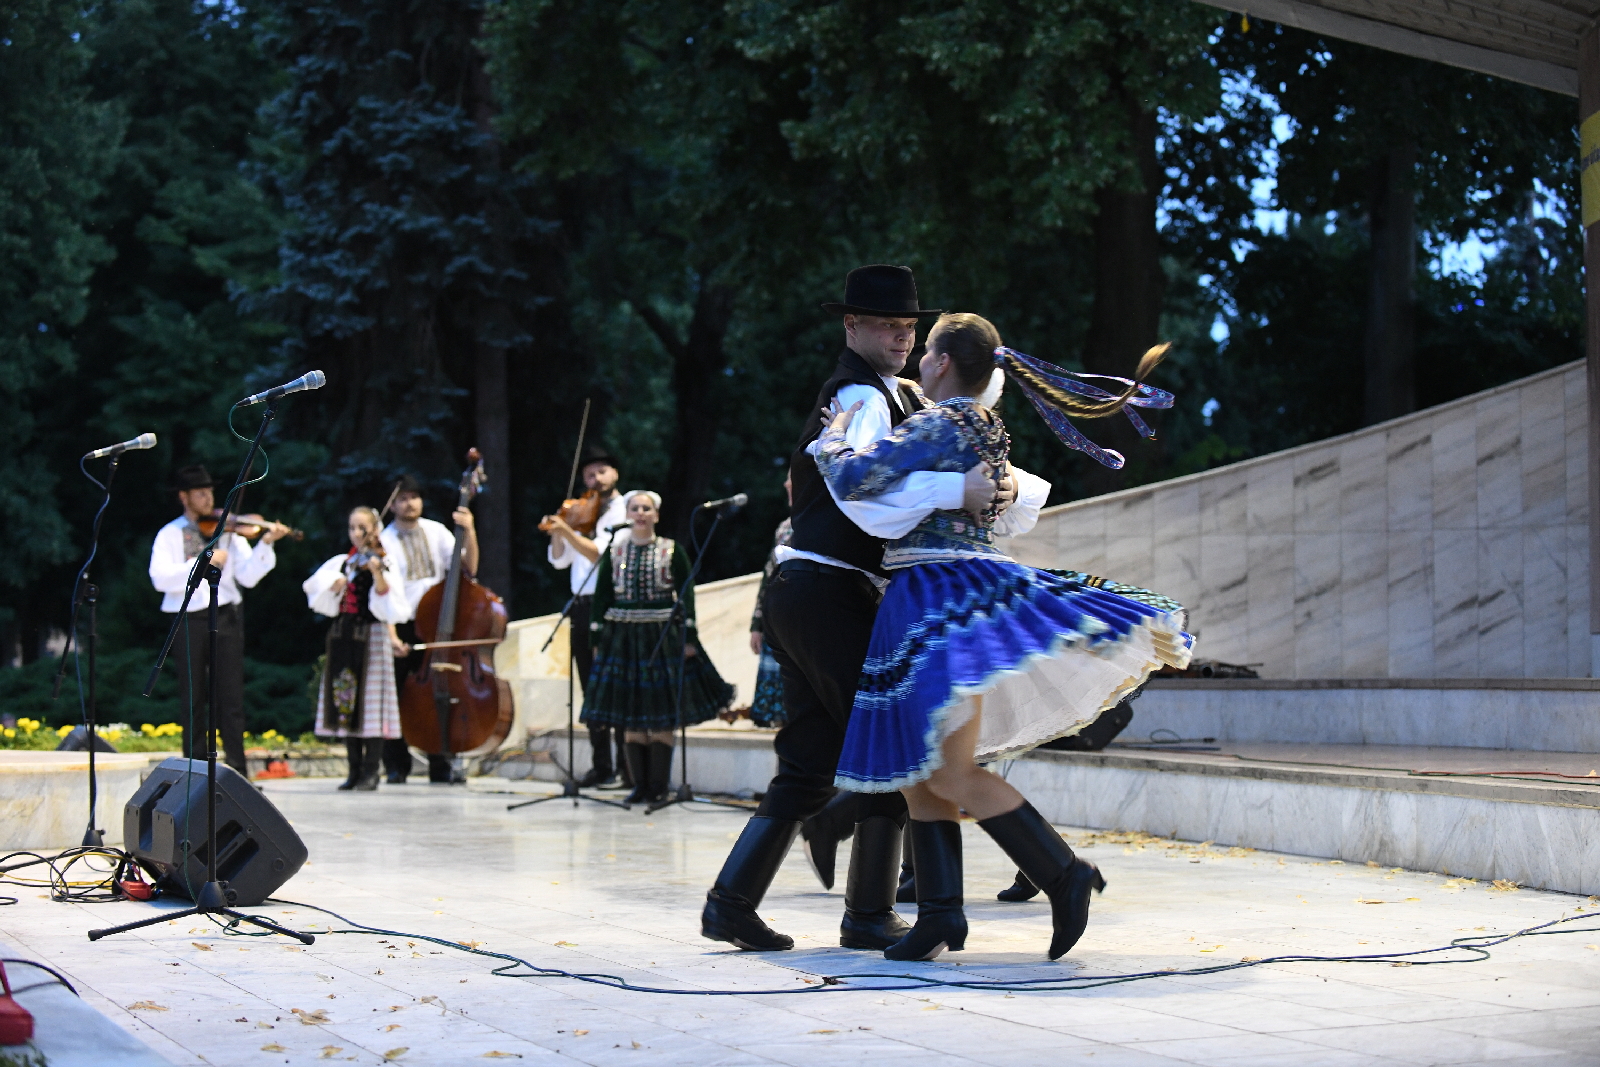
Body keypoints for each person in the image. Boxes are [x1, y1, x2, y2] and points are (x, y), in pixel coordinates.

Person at [817, 312, 1193, 961]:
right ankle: (940, 915)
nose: (918, 359)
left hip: (940, 593)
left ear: (940, 362)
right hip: (941, 589)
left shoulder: (939, 422)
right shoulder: (984, 423)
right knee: (923, 770)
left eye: (926, 350)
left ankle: (1063, 874)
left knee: (949, 769)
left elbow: (855, 478)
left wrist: (832, 439)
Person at [700, 265, 1013, 953]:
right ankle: (868, 911)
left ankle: (731, 903)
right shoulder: (861, 397)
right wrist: (956, 492)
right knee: (893, 744)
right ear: (851, 325)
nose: (902, 337)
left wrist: (997, 485)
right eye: (887, 325)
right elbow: (863, 493)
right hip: (826, 589)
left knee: (811, 758)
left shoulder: (889, 393)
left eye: (909, 327)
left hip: (806, 590)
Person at [580, 490, 734, 806]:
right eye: (635, 508)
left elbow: (686, 593)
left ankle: (659, 786)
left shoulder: (672, 550)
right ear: (628, 515)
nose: (640, 513)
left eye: (646, 508)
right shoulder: (614, 552)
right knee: (631, 714)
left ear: (656, 515)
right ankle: (640, 786)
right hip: (623, 638)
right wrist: (597, 640)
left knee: (662, 714)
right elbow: (602, 597)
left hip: (662, 636)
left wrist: (688, 637)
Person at [148, 464, 291, 774]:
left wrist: (265, 544)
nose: (209, 498)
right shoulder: (170, 533)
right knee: (193, 696)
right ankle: (195, 770)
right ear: (184, 497)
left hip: (225, 614)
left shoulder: (228, 531)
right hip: (187, 617)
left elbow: (248, 576)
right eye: (201, 493)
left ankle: (238, 771)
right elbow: (160, 578)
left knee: (231, 696)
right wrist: (204, 561)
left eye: (210, 492)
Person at [543, 445, 634, 788]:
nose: (595, 478)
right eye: (589, 474)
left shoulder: (625, 509)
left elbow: (601, 555)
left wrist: (568, 531)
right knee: (590, 686)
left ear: (615, 474)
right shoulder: (580, 511)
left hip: (610, 604)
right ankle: (601, 765)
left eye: (601, 472)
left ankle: (627, 766)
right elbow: (559, 560)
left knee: (616, 684)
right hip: (581, 604)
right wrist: (558, 531)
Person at [380, 474, 479, 783]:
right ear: (392, 505)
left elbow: (468, 568)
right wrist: (391, 634)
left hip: (439, 623)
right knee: (397, 695)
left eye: (414, 497)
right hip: (404, 623)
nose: (410, 503)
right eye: (403, 499)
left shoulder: (437, 531)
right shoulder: (385, 540)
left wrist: (470, 530)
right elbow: (382, 593)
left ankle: (441, 762)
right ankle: (396, 765)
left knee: (441, 691)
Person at [304, 507, 411, 790]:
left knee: (371, 706)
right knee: (346, 701)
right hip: (344, 636)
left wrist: (378, 574)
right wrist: (334, 586)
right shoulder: (344, 562)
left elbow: (390, 603)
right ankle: (353, 770)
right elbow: (316, 593)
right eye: (352, 527)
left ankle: (371, 771)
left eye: (362, 527)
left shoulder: (383, 560)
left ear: (375, 529)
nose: (356, 533)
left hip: (371, 635)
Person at [745, 475, 792, 729]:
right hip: (777, 622)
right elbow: (768, 576)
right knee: (780, 713)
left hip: (807, 624)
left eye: (793, 478)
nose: (787, 484)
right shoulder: (784, 527)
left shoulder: (826, 522)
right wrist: (757, 624)